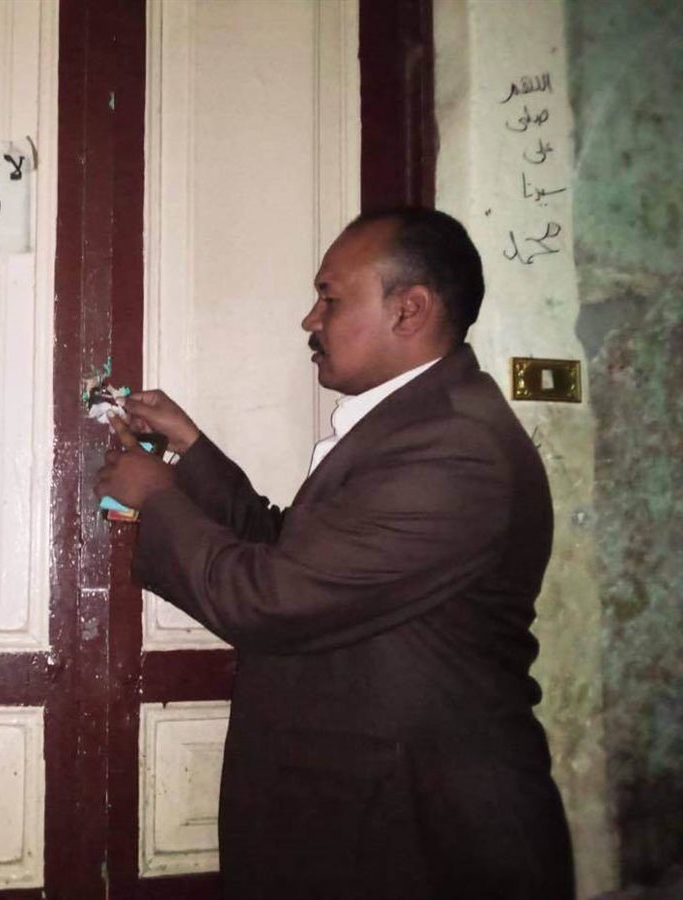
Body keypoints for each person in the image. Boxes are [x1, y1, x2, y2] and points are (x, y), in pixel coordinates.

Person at [95, 208, 575, 899]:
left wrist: (157, 496)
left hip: (422, 830)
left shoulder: (454, 447)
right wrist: (190, 450)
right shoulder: (417, 426)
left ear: (409, 310)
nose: (310, 320)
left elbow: (271, 598)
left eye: (330, 298)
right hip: (378, 814)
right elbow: (296, 555)